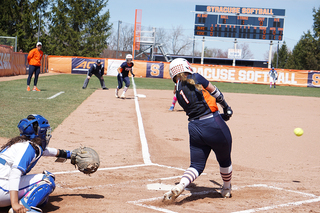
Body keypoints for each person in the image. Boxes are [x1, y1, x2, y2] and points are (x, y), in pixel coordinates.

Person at [163, 58, 234, 202]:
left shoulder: (177, 91)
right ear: (186, 67)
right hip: (213, 124)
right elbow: (216, 93)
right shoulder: (195, 77)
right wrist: (226, 107)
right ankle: (226, 188)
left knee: (196, 165)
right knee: (224, 159)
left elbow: (198, 109)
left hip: (195, 127)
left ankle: (182, 184)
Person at [0, 114, 73, 213]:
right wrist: (15, 204)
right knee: (47, 180)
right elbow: (15, 174)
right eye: (45, 130)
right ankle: (20, 210)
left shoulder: (19, 144)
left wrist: (70, 155)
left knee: (42, 200)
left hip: (2, 188)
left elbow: (47, 151)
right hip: (2, 191)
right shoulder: (28, 147)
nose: (47, 134)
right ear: (39, 132)